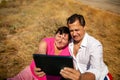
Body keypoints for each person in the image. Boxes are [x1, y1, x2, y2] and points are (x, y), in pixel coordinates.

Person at [60, 14, 113, 80]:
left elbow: (96, 70)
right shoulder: (69, 42)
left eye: (77, 30)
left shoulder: (95, 45)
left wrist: (80, 78)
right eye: (71, 31)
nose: (74, 34)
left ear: (84, 27)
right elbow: (53, 42)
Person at [7, 26, 71, 80]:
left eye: (64, 39)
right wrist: (40, 64)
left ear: (68, 41)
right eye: (59, 36)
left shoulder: (70, 49)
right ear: (55, 35)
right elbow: (41, 55)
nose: (60, 40)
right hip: (31, 72)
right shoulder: (46, 42)